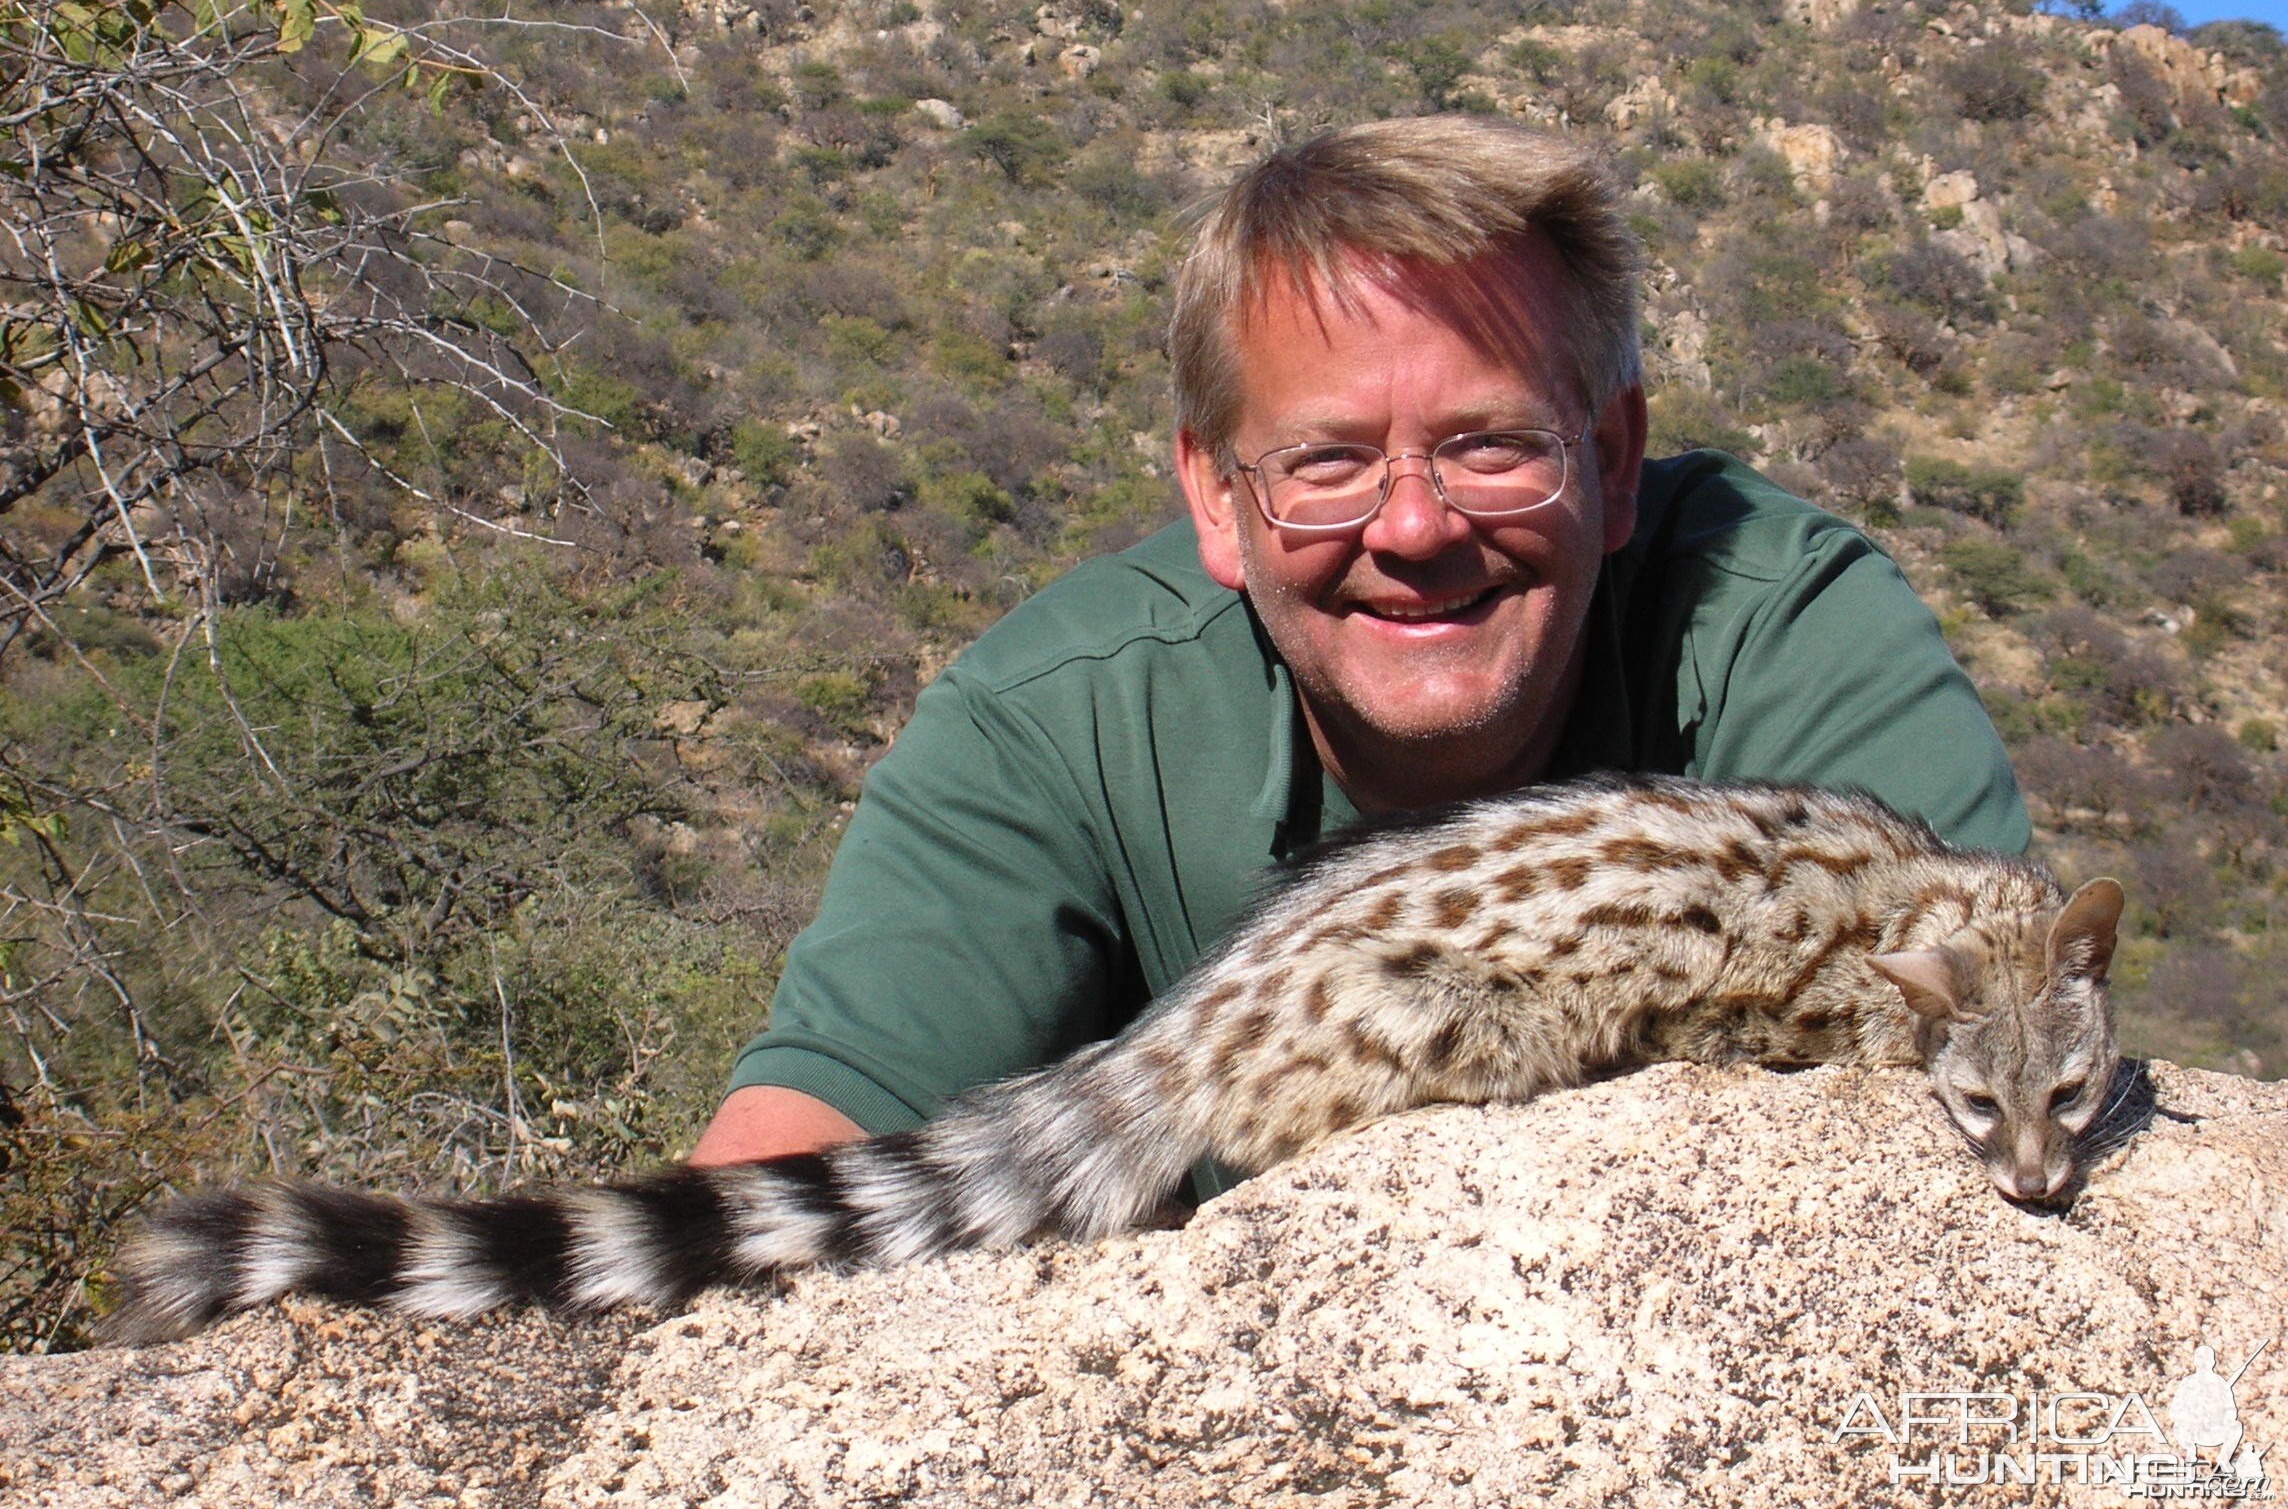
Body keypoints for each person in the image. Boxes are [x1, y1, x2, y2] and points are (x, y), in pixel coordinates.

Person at [688, 116, 2028, 1177]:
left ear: (1613, 459)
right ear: (1216, 497)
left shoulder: (1776, 619)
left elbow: (1993, 1044)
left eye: (1488, 444)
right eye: (1325, 462)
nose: (1413, 527)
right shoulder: (1056, 715)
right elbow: (801, 1157)